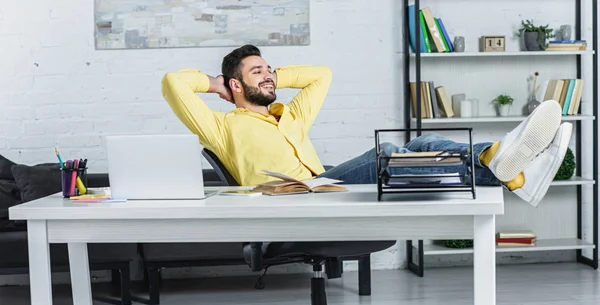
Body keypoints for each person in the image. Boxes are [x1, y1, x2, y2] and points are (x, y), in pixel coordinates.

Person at [162, 44, 571, 207]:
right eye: (258, 72)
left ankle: (502, 164)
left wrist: (271, 75)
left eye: (270, 70)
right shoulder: (220, 126)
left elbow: (320, 74)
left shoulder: (289, 115)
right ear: (236, 84)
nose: (269, 76)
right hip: (288, 200)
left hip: (322, 185)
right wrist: (215, 85)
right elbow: (173, 83)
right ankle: (506, 165)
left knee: (423, 140)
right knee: (389, 155)